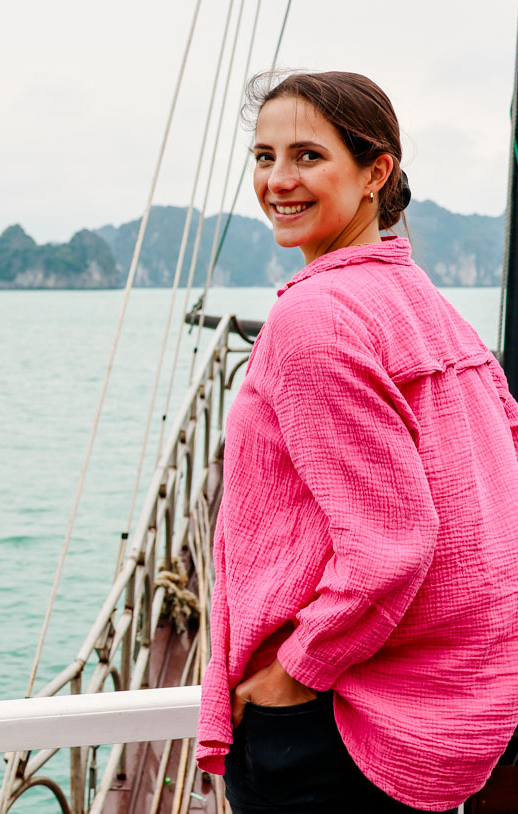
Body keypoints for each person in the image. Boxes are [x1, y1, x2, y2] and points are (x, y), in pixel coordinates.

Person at [195, 71, 518, 813]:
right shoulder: (426, 306)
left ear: (377, 173)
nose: (278, 180)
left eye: (308, 156)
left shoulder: (315, 319)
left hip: (337, 727)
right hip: (450, 711)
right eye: (264, 155)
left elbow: (393, 541)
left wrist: (296, 675)